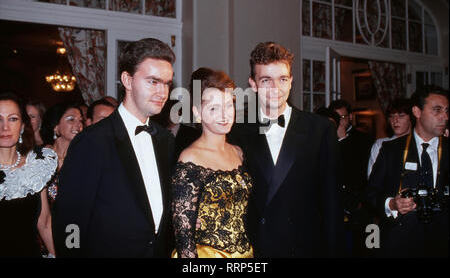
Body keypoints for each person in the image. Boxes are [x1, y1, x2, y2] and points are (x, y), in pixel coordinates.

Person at [52, 38, 176, 257]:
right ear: (127, 80)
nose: (162, 92)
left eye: (167, 83)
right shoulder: (92, 141)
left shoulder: (165, 140)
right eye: (153, 82)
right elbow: (70, 223)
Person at [229, 42, 343, 257]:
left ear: (291, 81)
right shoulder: (237, 132)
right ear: (253, 84)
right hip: (255, 249)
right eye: (266, 80)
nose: (275, 89)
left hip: (305, 248)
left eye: (282, 79)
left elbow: (332, 203)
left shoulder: (320, 129)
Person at [172, 68, 253, 258]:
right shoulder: (190, 157)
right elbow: (183, 232)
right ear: (198, 113)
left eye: (229, 105)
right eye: (214, 108)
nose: (224, 115)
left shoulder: (238, 152)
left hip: (245, 255)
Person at [367, 85, 448, 257]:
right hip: (400, 243)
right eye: (437, 110)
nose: (445, 117)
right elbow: (370, 194)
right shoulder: (392, 149)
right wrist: (391, 204)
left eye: (447, 111)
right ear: (417, 112)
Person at [0, 92, 57, 257]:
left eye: (13, 119)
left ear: (23, 125)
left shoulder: (36, 165)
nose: (5, 127)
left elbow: (45, 223)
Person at [329, 99, 373, 257]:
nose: (340, 122)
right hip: (335, 204)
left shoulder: (364, 140)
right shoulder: (326, 138)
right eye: (337, 118)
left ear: (351, 117)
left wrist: (343, 141)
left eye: (343, 117)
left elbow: (357, 171)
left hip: (357, 204)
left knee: (360, 249)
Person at [40, 103, 84, 205]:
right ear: (55, 126)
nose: (79, 125)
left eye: (81, 120)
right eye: (71, 119)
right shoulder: (39, 158)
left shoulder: (84, 158)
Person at [367, 98, 412, 178]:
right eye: (391, 116)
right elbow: (372, 178)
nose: (395, 120)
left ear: (411, 118)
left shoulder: (420, 143)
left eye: (401, 116)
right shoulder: (380, 145)